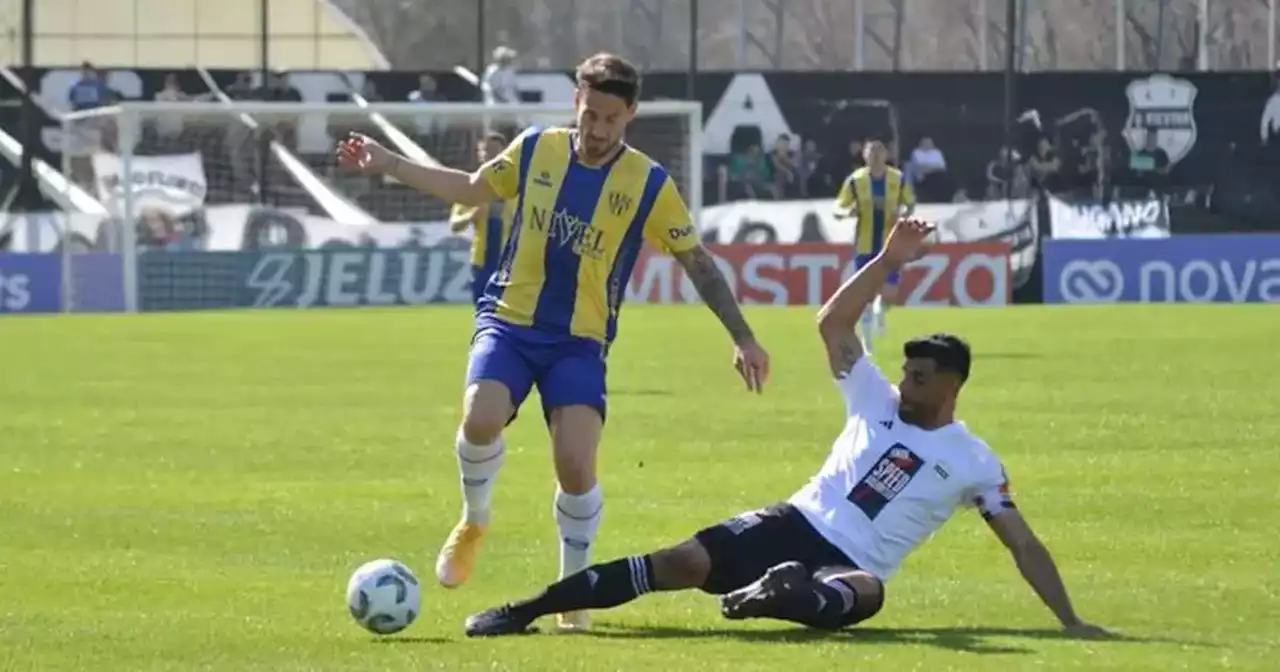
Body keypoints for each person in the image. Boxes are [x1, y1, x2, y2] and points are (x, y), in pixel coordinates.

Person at [464, 218, 1109, 640]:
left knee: (865, 593)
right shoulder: (874, 400)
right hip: (792, 521)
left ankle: (775, 596)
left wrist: (1071, 622)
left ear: (952, 387)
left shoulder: (974, 461)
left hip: (852, 561)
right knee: (678, 561)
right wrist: (887, 260)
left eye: (919, 378)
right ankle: (525, 611)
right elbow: (832, 323)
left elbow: (1022, 544)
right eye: (905, 373)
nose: (906, 384)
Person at [335, 52, 771, 632]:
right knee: (480, 416)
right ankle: (474, 519)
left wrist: (742, 336)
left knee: (575, 464)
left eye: (610, 119)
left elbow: (697, 261)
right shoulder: (536, 148)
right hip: (510, 321)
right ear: (576, 103)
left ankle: (573, 596)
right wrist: (388, 160)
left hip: (579, 342)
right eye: (589, 115)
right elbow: (470, 186)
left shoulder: (648, 184)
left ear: (630, 115)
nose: (596, 130)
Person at [834, 139, 915, 354]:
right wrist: (846, 213)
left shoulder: (897, 179)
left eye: (880, 150)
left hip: (891, 243)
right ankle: (866, 343)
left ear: (886, 154)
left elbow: (911, 203)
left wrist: (904, 214)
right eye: (872, 150)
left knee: (889, 293)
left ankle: (881, 310)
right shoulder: (855, 180)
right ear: (864, 155)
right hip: (864, 244)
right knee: (864, 295)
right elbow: (838, 207)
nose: (876, 154)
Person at [448, 132, 515, 309]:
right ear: (479, 153)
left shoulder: (516, 185)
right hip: (481, 262)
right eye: (486, 150)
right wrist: (471, 215)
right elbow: (455, 224)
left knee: (508, 317)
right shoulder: (469, 186)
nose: (490, 154)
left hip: (509, 264)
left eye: (495, 150)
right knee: (482, 312)